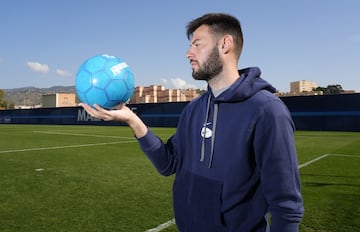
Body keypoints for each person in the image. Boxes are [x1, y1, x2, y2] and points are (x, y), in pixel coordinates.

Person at [81, 13, 304, 232]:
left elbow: (287, 207)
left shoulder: (266, 110)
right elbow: (169, 164)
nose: (188, 53)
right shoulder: (194, 109)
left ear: (225, 44)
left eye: (197, 45)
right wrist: (133, 120)